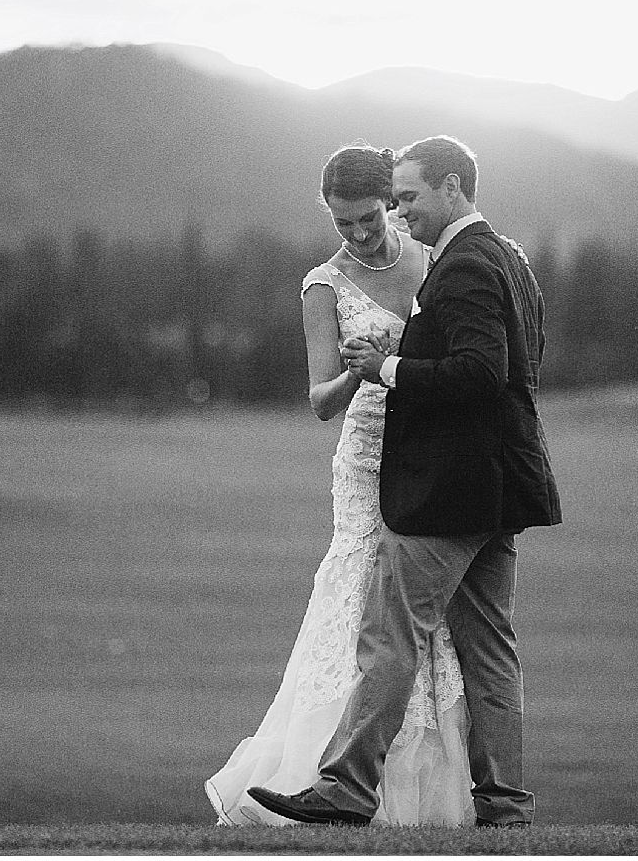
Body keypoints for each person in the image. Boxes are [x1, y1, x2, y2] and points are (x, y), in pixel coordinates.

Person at [248, 134, 562, 829]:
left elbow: (479, 371)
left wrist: (388, 368)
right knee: (488, 646)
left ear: (452, 187)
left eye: (407, 198)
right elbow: (521, 361)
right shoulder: (511, 257)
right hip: (500, 484)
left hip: (448, 486)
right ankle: (505, 804)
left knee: (390, 634)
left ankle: (348, 789)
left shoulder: (465, 264)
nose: (398, 211)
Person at [204, 143, 474, 826]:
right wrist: (364, 369)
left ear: (389, 199)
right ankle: (335, 774)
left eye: (366, 217)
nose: (358, 232)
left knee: (423, 616)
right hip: (364, 459)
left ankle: (428, 784)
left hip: (427, 450)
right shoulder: (323, 283)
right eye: (342, 222)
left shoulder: (428, 259)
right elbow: (321, 399)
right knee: (359, 599)